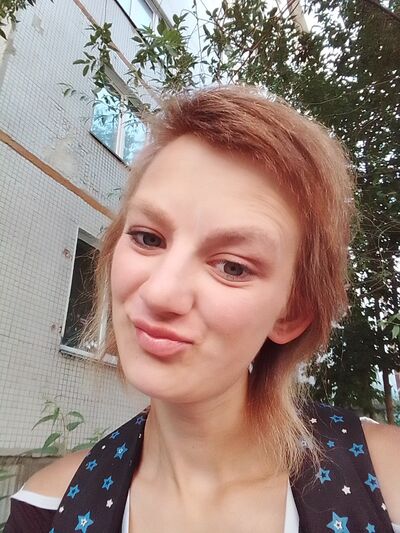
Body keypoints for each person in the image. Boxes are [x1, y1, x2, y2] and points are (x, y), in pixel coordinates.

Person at [5, 85, 400, 532]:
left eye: (232, 266)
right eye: (148, 238)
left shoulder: (385, 483)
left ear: (290, 314)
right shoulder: (47, 509)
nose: (160, 293)